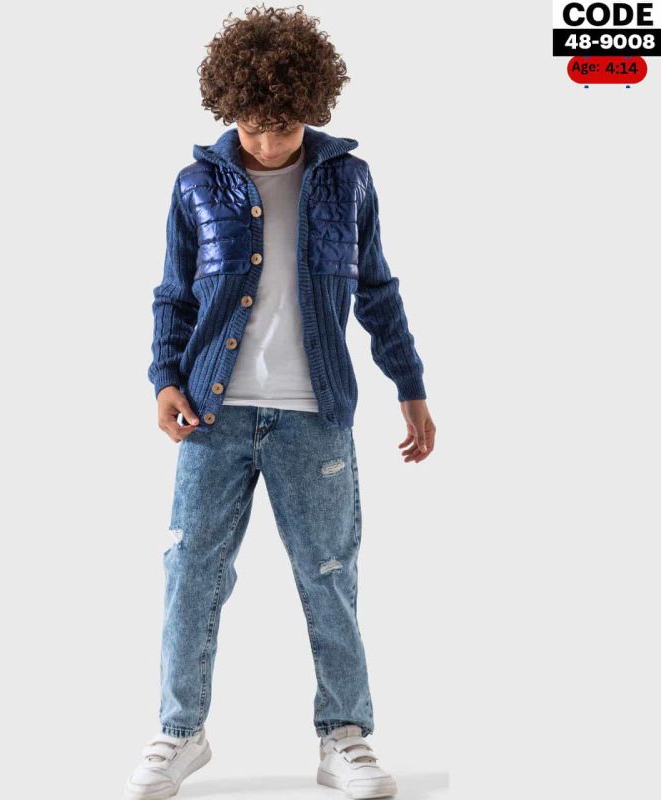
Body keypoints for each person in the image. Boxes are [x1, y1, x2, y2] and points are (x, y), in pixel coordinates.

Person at [126, 5, 436, 799]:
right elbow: (173, 296)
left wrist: (410, 385)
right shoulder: (196, 185)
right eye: (255, 126)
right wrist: (163, 380)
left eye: (285, 125)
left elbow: (378, 291)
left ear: (313, 104)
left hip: (314, 415)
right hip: (212, 416)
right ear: (229, 108)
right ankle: (179, 731)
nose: (269, 142)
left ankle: (345, 736)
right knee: (191, 571)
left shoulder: (348, 180)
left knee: (329, 575)